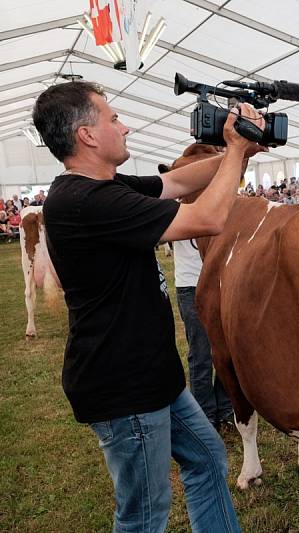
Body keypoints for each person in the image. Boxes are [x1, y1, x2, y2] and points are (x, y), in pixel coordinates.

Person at [33, 80, 265, 530]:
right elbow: (208, 218)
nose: (127, 126)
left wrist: (243, 152)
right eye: (114, 118)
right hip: (125, 388)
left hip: (152, 377)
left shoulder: (103, 187)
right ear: (87, 135)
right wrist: (234, 153)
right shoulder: (85, 201)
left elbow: (178, 180)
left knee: (206, 460)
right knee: (144, 513)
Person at [174, 238, 234, 429]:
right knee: (201, 355)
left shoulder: (221, 207)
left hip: (221, 281)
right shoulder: (176, 207)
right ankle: (204, 414)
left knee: (227, 353)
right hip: (190, 284)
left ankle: (225, 408)